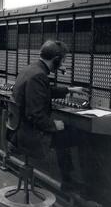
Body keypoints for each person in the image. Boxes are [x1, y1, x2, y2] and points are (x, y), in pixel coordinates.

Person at [10, 39, 87, 193]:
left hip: (18, 129)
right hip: (30, 134)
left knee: (66, 131)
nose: (63, 64)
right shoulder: (39, 75)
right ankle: (70, 184)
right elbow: (34, 114)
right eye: (63, 60)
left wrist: (69, 90)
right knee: (78, 134)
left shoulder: (31, 69)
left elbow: (42, 93)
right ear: (56, 60)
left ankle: (67, 181)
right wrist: (53, 125)